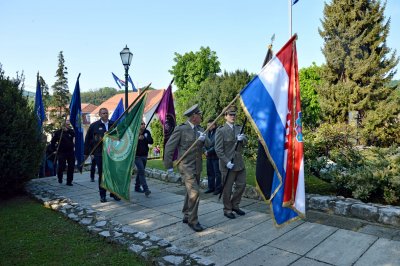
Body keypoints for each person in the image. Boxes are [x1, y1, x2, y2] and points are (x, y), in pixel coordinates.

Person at [164, 104, 209, 232]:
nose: (201, 117)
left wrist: (204, 138)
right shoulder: (181, 129)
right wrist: (169, 167)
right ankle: (192, 221)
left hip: (197, 166)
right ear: (194, 116)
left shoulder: (200, 129)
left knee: (190, 193)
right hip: (186, 166)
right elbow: (169, 147)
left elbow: (210, 144)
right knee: (195, 193)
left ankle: (186, 214)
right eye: (200, 115)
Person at [215, 106, 248, 219]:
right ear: (225, 116)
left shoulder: (239, 128)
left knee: (241, 185)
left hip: (239, 163)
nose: (233, 116)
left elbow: (245, 142)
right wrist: (227, 162)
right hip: (228, 165)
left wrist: (242, 139)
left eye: (234, 114)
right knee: (227, 189)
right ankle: (227, 209)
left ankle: (235, 205)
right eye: (230, 114)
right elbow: (218, 149)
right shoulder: (221, 130)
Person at [84, 108, 120, 203]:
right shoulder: (94, 126)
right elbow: (88, 140)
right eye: (103, 113)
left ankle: (114, 193)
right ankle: (102, 195)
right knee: (102, 175)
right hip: (100, 153)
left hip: (112, 153)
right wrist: (88, 153)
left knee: (113, 174)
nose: (105, 114)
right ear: (99, 114)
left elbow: (118, 137)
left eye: (106, 113)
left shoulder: (113, 124)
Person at [51, 120, 75, 186]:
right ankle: (60, 177)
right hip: (62, 152)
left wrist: (67, 131)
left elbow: (74, 135)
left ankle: (69, 181)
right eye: (67, 124)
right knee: (62, 166)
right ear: (63, 125)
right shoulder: (58, 133)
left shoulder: (71, 131)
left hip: (70, 152)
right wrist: (54, 150)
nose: (68, 126)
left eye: (69, 124)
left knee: (71, 166)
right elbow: (52, 142)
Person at [134, 120, 154, 196]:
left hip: (144, 155)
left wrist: (144, 138)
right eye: (141, 124)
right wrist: (137, 138)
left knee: (140, 171)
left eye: (144, 124)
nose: (143, 125)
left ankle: (137, 187)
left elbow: (151, 141)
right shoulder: (134, 132)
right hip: (137, 156)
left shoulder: (147, 132)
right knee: (142, 171)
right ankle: (146, 189)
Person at [204, 119, 222, 195]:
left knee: (217, 173)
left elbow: (217, 145)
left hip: (215, 156)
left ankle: (218, 189)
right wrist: (204, 150)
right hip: (208, 157)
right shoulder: (206, 133)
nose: (207, 127)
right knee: (210, 173)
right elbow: (203, 143)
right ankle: (210, 187)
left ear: (214, 125)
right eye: (207, 125)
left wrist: (208, 151)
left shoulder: (218, 132)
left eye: (209, 125)